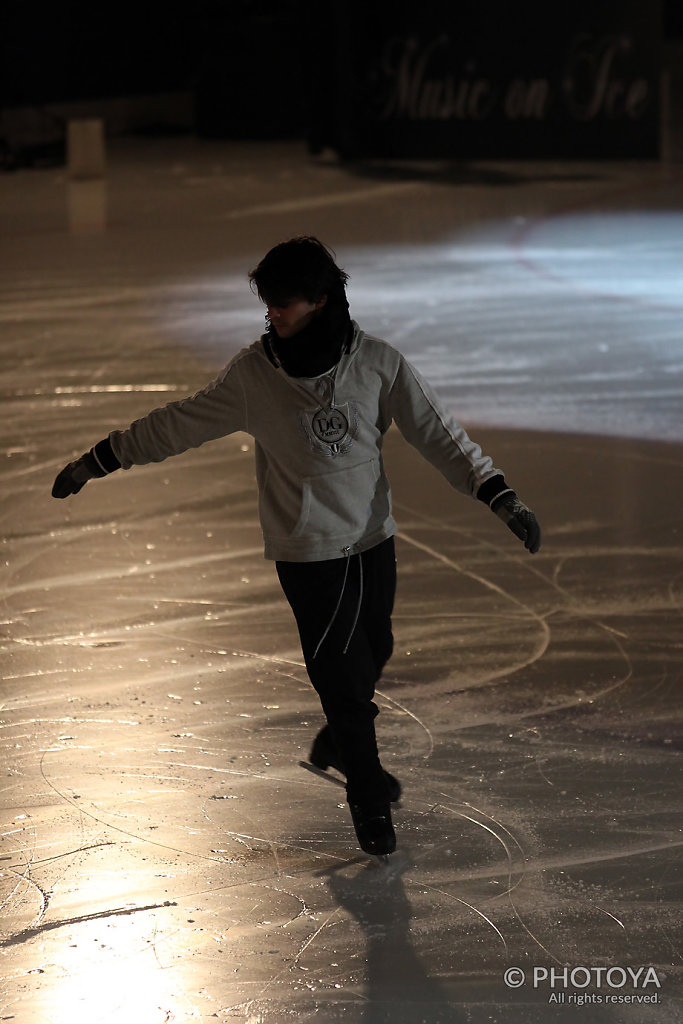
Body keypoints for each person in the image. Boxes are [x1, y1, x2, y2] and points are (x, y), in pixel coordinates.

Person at [52, 236, 541, 857]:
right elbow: (179, 423)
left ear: (321, 299)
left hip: (372, 540)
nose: (270, 315)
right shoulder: (255, 376)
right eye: (268, 304)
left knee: (374, 650)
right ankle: (366, 797)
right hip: (308, 552)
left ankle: (339, 741)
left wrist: (498, 495)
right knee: (344, 679)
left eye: (282, 304)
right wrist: (101, 459)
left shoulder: (377, 364)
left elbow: (439, 433)